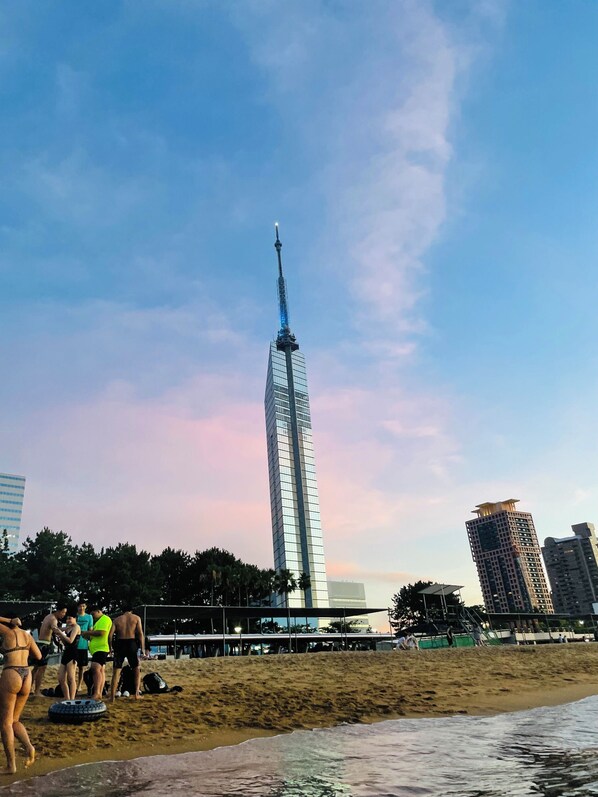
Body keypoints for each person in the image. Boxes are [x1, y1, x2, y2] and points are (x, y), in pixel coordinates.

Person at [0, 615, 40, 774]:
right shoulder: (27, 635)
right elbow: (38, 656)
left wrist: (8, 621)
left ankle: (11, 766)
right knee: (14, 720)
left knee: (5, 722)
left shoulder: (6, 632)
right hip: (26, 674)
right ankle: (29, 747)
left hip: (11, 673)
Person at [31, 606, 70, 697]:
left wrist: (64, 629)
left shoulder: (49, 616)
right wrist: (65, 635)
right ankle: (37, 691)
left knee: (36, 668)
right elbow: (55, 630)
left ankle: (30, 688)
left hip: (40, 643)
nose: (64, 615)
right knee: (41, 668)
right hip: (44, 645)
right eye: (63, 612)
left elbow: (55, 629)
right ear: (58, 611)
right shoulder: (53, 619)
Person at [109, 606, 144, 702]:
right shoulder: (136, 618)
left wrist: (110, 647)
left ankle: (112, 697)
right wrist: (143, 648)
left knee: (116, 671)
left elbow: (110, 636)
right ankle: (136, 694)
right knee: (136, 669)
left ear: (122, 611)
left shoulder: (117, 620)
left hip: (120, 644)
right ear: (131, 610)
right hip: (131, 643)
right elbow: (140, 633)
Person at [82, 606, 112, 701]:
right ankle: (99, 692)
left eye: (93, 614)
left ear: (99, 611)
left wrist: (87, 632)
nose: (92, 616)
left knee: (96, 669)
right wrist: (86, 635)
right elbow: (94, 636)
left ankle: (97, 692)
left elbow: (101, 633)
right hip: (97, 649)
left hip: (101, 648)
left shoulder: (104, 619)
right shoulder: (98, 622)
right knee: (100, 670)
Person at [57, 614, 81, 700]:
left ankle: (72, 698)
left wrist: (61, 633)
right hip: (66, 652)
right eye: (67, 619)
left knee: (71, 678)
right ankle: (67, 698)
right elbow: (66, 643)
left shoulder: (76, 627)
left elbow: (71, 641)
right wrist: (61, 636)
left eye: (70, 618)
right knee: (61, 678)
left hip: (73, 653)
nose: (68, 620)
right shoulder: (68, 628)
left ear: (75, 618)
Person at [74, 602, 93, 696]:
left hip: (83, 645)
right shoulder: (75, 616)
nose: (81, 608)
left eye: (83, 606)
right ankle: (73, 684)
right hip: (74, 645)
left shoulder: (89, 617)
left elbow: (91, 629)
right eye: (80, 606)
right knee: (73, 666)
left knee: (82, 667)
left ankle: (79, 685)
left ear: (85, 607)